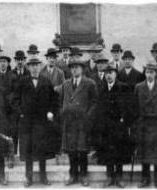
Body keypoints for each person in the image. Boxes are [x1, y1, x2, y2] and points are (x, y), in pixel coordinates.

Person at [12, 58, 60, 187]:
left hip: (42, 122)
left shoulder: (46, 81)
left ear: (40, 67)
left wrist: (51, 111)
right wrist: (21, 112)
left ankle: (43, 177)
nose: (34, 68)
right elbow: (14, 100)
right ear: (29, 67)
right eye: (32, 65)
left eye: (36, 65)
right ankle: (29, 178)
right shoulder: (22, 82)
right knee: (28, 151)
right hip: (27, 123)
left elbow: (54, 100)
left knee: (42, 151)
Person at [133, 63, 157, 189]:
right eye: (147, 72)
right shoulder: (139, 87)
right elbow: (134, 106)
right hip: (144, 124)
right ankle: (145, 179)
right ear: (144, 73)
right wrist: (136, 122)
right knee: (144, 152)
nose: (149, 74)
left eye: (152, 72)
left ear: (156, 73)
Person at [61, 56, 98, 187]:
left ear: (82, 69)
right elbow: (61, 101)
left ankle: (83, 175)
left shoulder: (89, 83)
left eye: (77, 67)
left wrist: (88, 116)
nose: (74, 70)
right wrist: (63, 113)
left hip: (83, 122)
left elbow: (94, 102)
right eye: (72, 67)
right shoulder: (65, 84)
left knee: (82, 150)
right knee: (71, 150)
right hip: (69, 122)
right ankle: (73, 175)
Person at [94, 65, 134, 188]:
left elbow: (129, 107)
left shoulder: (123, 87)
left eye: (111, 72)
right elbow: (98, 107)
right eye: (106, 73)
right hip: (106, 127)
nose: (108, 75)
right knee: (108, 153)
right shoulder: (101, 88)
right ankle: (110, 177)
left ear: (116, 74)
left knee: (119, 152)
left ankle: (119, 177)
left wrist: (124, 120)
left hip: (119, 126)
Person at [8, 50, 30, 154]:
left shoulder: (28, 73)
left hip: (26, 108)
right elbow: (9, 93)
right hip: (14, 109)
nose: (20, 62)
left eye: (22, 60)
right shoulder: (10, 74)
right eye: (18, 60)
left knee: (25, 131)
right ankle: (13, 154)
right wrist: (15, 107)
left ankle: (24, 154)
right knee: (14, 131)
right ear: (15, 61)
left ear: (25, 60)